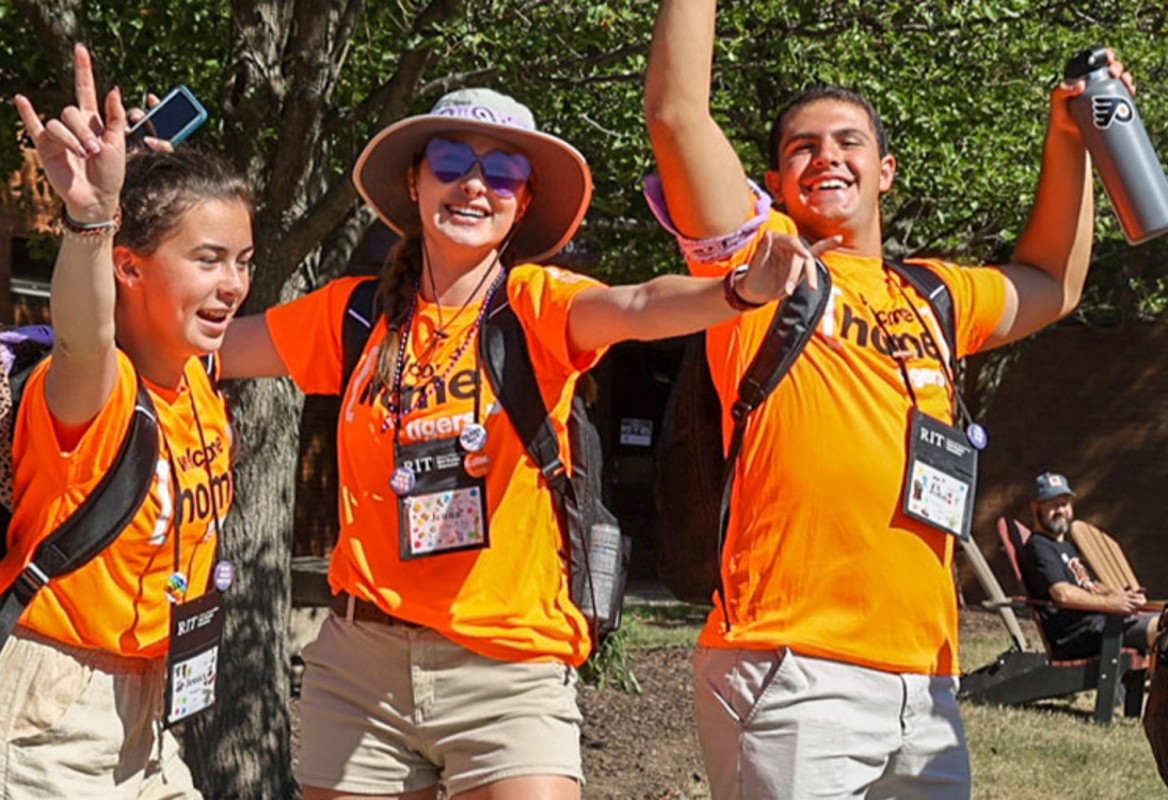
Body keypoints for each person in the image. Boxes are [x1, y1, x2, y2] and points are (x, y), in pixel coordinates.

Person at [217, 86, 809, 799]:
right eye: (450, 161)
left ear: (522, 202)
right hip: (361, 665)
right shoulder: (353, 315)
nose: (474, 184)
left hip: (508, 668)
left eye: (501, 173)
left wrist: (738, 292)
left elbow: (639, 305)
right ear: (415, 180)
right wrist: (129, 230)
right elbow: (202, 347)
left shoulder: (534, 304)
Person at [643, 1, 1131, 795]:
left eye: (848, 142)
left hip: (926, 680)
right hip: (790, 663)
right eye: (801, 148)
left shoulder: (932, 293)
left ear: (886, 170)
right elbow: (676, 113)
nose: (825, 158)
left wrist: (1069, 138)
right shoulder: (760, 269)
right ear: (772, 182)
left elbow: (1051, 283)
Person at [1, 46, 251, 797]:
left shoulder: (197, 377)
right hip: (54, 711)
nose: (233, 284)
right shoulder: (94, 390)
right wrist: (90, 219)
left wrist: (144, 175)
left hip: (148, 709)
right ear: (130, 267)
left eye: (242, 259)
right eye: (208, 259)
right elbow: (84, 332)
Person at [1018, 472, 1159, 661]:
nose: (1061, 510)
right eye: (1053, 504)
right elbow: (1062, 594)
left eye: (1065, 503)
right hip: (1077, 635)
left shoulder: (1065, 547)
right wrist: (1109, 603)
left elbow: (1089, 585)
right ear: (1036, 508)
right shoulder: (1039, 547)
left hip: (1101, 624)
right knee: (1162, 628)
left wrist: (1120, 595)